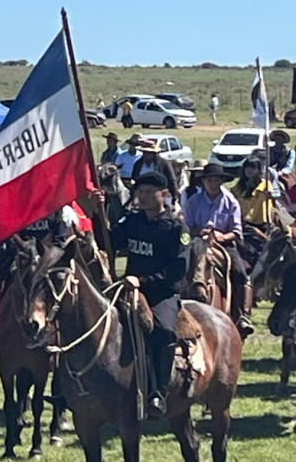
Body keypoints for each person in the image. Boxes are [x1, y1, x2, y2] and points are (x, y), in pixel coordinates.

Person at [106, 172, 190, 418]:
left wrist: (142, 281)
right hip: (127, 290)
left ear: (163, 194)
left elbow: (177, 270)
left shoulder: (176, 228)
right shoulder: (133, 221)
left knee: (163, 331)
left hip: (161, 294)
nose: (141, 197)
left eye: (147, 192)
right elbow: (108, 241)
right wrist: (95, 209)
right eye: (139, 191)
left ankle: (157, 392)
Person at [183, 164, 253, 338]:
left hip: (224, 245)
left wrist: (221, 236)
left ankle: (242, 315)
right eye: (209, 180)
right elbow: (186, 227)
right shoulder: (193, 202)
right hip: (197, 242)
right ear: (203, 182)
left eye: (216, 180)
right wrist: (200, 232)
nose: (213, 184)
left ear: (222, 181)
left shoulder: (231, 202)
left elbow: (236, 232)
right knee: (178, 265)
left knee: (240, 273)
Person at [232, 156, 273, 268]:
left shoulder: (264, 184)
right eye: (247, 168)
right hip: (242, 222)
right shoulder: (238, 187)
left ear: (259, 170)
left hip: (259, 223)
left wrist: (269, 195)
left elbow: (271, 196)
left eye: (253, 168)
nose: (249, 171)